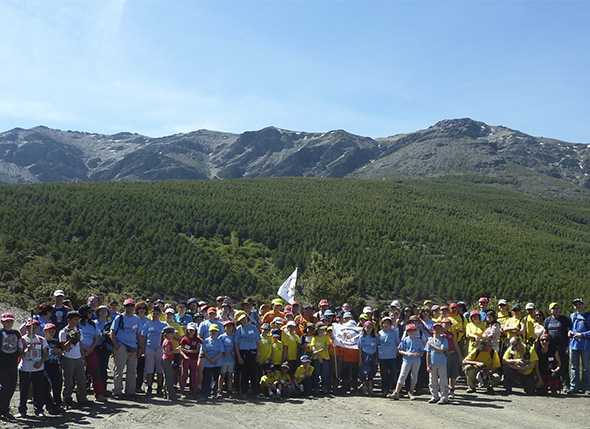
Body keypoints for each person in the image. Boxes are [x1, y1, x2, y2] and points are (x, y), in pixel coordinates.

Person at [18, 319, 58, 417]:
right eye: (30, 327)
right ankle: (22, 411)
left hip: (38, 369)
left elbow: (46, 354)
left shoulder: (41, 339)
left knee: (38, 390)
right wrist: (27, 350)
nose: (33, 329)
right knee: (24, 391)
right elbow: (20, 355)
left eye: (35, 327)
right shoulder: (22, 340)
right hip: (25, 369)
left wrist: (40, 362)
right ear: (27, 328)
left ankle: (39, 410)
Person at [110, 298, 141, 399]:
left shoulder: (137, 319)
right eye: (128, 306)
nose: (130, 308)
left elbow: (138, 334)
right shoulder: (119, 318)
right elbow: (112, 333)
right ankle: (117, 391)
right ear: (124, 307)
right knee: (119, 369)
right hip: (121, 345)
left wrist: (139, 347)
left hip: (133, 346)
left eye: (131, 306)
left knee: (132, 370)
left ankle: (130, 391)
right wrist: (117, 346)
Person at [59, 311, 88, 407]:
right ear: (69, 320)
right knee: (68, 381)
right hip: (68, 358)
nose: (76, 321)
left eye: (77, 320)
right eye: (75, 319)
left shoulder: (79, 331)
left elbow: (80, 345)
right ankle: (67, 399)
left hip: (78, 357)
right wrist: (71, 340)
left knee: (81, 380)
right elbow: (64, 348)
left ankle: (82, 398)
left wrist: (83, 358)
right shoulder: (63, 332)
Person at [389, 323, 424, 400]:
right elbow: (399, 350)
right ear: (407, 332)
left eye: (413, 330)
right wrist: (407, 353)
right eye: (409, 331)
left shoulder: (419, 340)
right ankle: (396, 392)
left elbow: (422, 351)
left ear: (416, 331)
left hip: (416, 360)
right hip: (406, 360)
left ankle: (411, 391)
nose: (411, 332)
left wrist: (418, 354)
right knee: (402, 375)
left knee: (414, 376)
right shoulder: (405, 339)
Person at [78, 305, 106, 402]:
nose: (91, 314)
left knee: (95, 372)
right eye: (89, 312)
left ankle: (98, 394)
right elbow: (76, 338)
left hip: (91, 350)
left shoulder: (93, 324)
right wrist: (82, 349)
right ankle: (81, 396)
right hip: (79, 351)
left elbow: (97, 337)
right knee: (80, 374)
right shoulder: (78, 324)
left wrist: (91, 348)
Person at [0, 312, 22, 421]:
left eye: (10, 321)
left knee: (12, 386)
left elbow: (19, 347)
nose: (8, 323)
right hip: (2, 364)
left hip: (13, 363)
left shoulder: (16, 333)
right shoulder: (0, 333)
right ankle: (3, 410)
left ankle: (4, 408)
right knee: (4, 387)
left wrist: (22, 352)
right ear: (2, 322)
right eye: (6, 321)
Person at [141, 305, 167, 396]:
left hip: (160, 349)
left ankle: (159, 388)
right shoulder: (147, 324)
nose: (155, 315)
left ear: (160, 314)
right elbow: (143, 337)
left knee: (160, 369)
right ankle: (149, 386)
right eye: (154, 313)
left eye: (157, 313)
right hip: (149, 348)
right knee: (149, 369)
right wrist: (143, 349)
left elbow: (168, 337)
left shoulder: (164, 324)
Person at [544, 302, 571, 386]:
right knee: (553, 365)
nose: (556, 310)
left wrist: (568, 346)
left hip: (563, 346)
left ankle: (566, 384)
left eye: (557, 308)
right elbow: (545, 333)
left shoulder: (564, 319)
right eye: (553, 308)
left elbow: (569, 332)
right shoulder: (547, 320)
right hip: (552, 347)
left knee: (564, 365)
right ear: (550, 310)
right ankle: (555, 384)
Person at [235, 312, 260, 395]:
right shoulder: (238, 329)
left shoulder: (254, 327)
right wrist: (239, 356)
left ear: (247, 318)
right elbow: (236, 344)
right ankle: (244, 391)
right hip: (243, 352)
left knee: (254, 373)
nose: (243, 320)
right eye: (241, 319)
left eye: (244, 318)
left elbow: (257, 342)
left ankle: (255, 391)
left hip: (253, 351)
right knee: (244, 373)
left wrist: (258, 353)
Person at [568, 298, 590, 394]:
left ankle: (586, 387)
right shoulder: (572, 316)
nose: (578, 306)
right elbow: (570, 328)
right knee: (573, 367)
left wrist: (582, 335)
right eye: (576, 304)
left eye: (580, 304)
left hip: (585, 345)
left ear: (583, 305)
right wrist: (569, 332)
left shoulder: (588, 316)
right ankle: (574, 387)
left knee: (586, 367)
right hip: (573, 345)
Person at [425, 322, 449, 404]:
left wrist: (433, 346)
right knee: (432, 380)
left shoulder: (444, 339)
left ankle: (444, 397)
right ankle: (434, 396)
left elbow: (443, 349)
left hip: (442, 362)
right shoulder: (430, 340)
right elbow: (427, 353)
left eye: (439, 328)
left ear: (441, 329)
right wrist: (428, 365)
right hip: (432, 363)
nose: (437, 330)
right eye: (435, 328)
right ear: (432, 330)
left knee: (443, 380)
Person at [200, 324, 224, 400]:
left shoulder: (220, 341)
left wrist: (214, 359)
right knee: (206, 379)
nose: (213, 332)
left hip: (217, 363)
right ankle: (205, 394)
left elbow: (221, 352)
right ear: (209, 332)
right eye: (212, 331)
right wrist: (210, 359)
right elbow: (203, 352)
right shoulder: (205, 341)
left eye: (215, 331)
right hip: (207, 363)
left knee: (216, 379)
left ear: (217, 332)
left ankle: (215, 393)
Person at [377, 316, 400, 396]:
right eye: (384, 323)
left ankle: (392, 389)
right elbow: (377, 344)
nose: (386, 324)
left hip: (392, 356)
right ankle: (384, 390)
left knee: (393, 374)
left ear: (390, 324)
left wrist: (397, 352)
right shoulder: (379, 333)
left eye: (388, 323)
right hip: (382, 356)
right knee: (384, 374)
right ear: (382, 324)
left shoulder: (394, 332)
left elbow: (397, 343)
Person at [43, 323, 63, 407]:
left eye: (53, 331)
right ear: (45, 331)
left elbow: (61, 352)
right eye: (49, 331)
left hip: (55, 364)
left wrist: (59, 351)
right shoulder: (42, 341)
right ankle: (49, 403)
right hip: (45, 365)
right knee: (46, 385)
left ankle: (58, 402)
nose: (51, 333)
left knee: (58, 384)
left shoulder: (56, 341)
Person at [441, 318, 462, 399]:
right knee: (445, 374)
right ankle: (444, 390)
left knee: (453, 374)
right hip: (443, 356)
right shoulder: (439, 334)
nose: (446, 325)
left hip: (453, 355)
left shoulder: (451, 334)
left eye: (448, 324)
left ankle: (452, 390)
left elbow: (456, 345)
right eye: (445, 323)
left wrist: (460, 356)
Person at [179, 322, 201, 396]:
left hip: (194, 359)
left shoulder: (197, 339)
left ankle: (193, 390)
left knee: (193, 375)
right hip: (185, 359)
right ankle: (182, 390)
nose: (190, 331)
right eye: (189, 330)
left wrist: (188, 351)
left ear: (195, 331)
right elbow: (181, 349)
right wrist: (185, 355)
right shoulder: (184, 339)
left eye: (192, 330)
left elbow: (197, 350)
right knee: (184, 375)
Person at [310, 324, 332, 394]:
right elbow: (313, 347)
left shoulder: (326, 337)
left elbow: (326, 347)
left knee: (325, 374)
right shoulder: (314, 337)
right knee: (316, 374)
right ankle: (316, 388)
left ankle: (324, 387)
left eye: (323, 330)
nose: (322, 331)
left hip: (325, 358)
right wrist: (318, 356)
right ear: (317, 330)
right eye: (320, 330)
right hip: (316, 359)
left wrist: (317, 352)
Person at [358, 321, 378, 395]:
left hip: (373, 355)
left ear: (372, 328)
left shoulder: (375, 337)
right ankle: (364, 387)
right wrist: (360, 359)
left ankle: (370, 386)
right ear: (364, 328)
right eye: (367, 327)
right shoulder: (361, 337)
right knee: (363, 372)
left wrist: (376, 358)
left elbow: (377, 347)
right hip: (364, 355)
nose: (368, 329)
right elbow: (360, 348)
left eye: (370, 327)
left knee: (372, 371)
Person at [218, 320, 236, 397]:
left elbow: (236, 347)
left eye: (230, 326)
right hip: (223, 360)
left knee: (230, 376)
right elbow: (218, 347)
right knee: (222, 375)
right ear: (224, 328)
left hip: (231, 359)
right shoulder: (221, 337)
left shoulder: (234, 336)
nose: (229, 327)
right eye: (227, 326)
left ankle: (229, 390)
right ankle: (219, 390)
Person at [161, 327, 178, 401]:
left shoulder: (167, 340)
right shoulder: (167, 341)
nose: (174, 334)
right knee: (169, 378)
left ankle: (166, 393)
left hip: (166, 360)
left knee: (167, 377)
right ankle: (170, 395)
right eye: (172, 333)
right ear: (168, 334)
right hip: (167, 360)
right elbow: (167, 352)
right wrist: (176, 351)